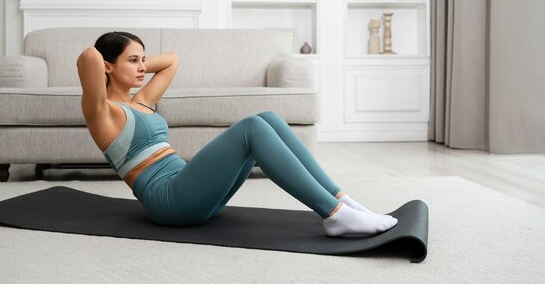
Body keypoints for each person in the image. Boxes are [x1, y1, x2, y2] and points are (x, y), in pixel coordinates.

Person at [77, 31, 397, 237]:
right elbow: (88, 57)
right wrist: (111, 58)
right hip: (170, 202)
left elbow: (172, 59)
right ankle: (335, 215)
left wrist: (136, 60)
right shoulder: (102, 114)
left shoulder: (142, 102)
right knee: (251, 129)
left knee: (267, 117)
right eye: (133, 61)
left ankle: (342, 201)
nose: (143, 67)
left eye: (144, 60)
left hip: (191, 190)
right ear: (107, 66)